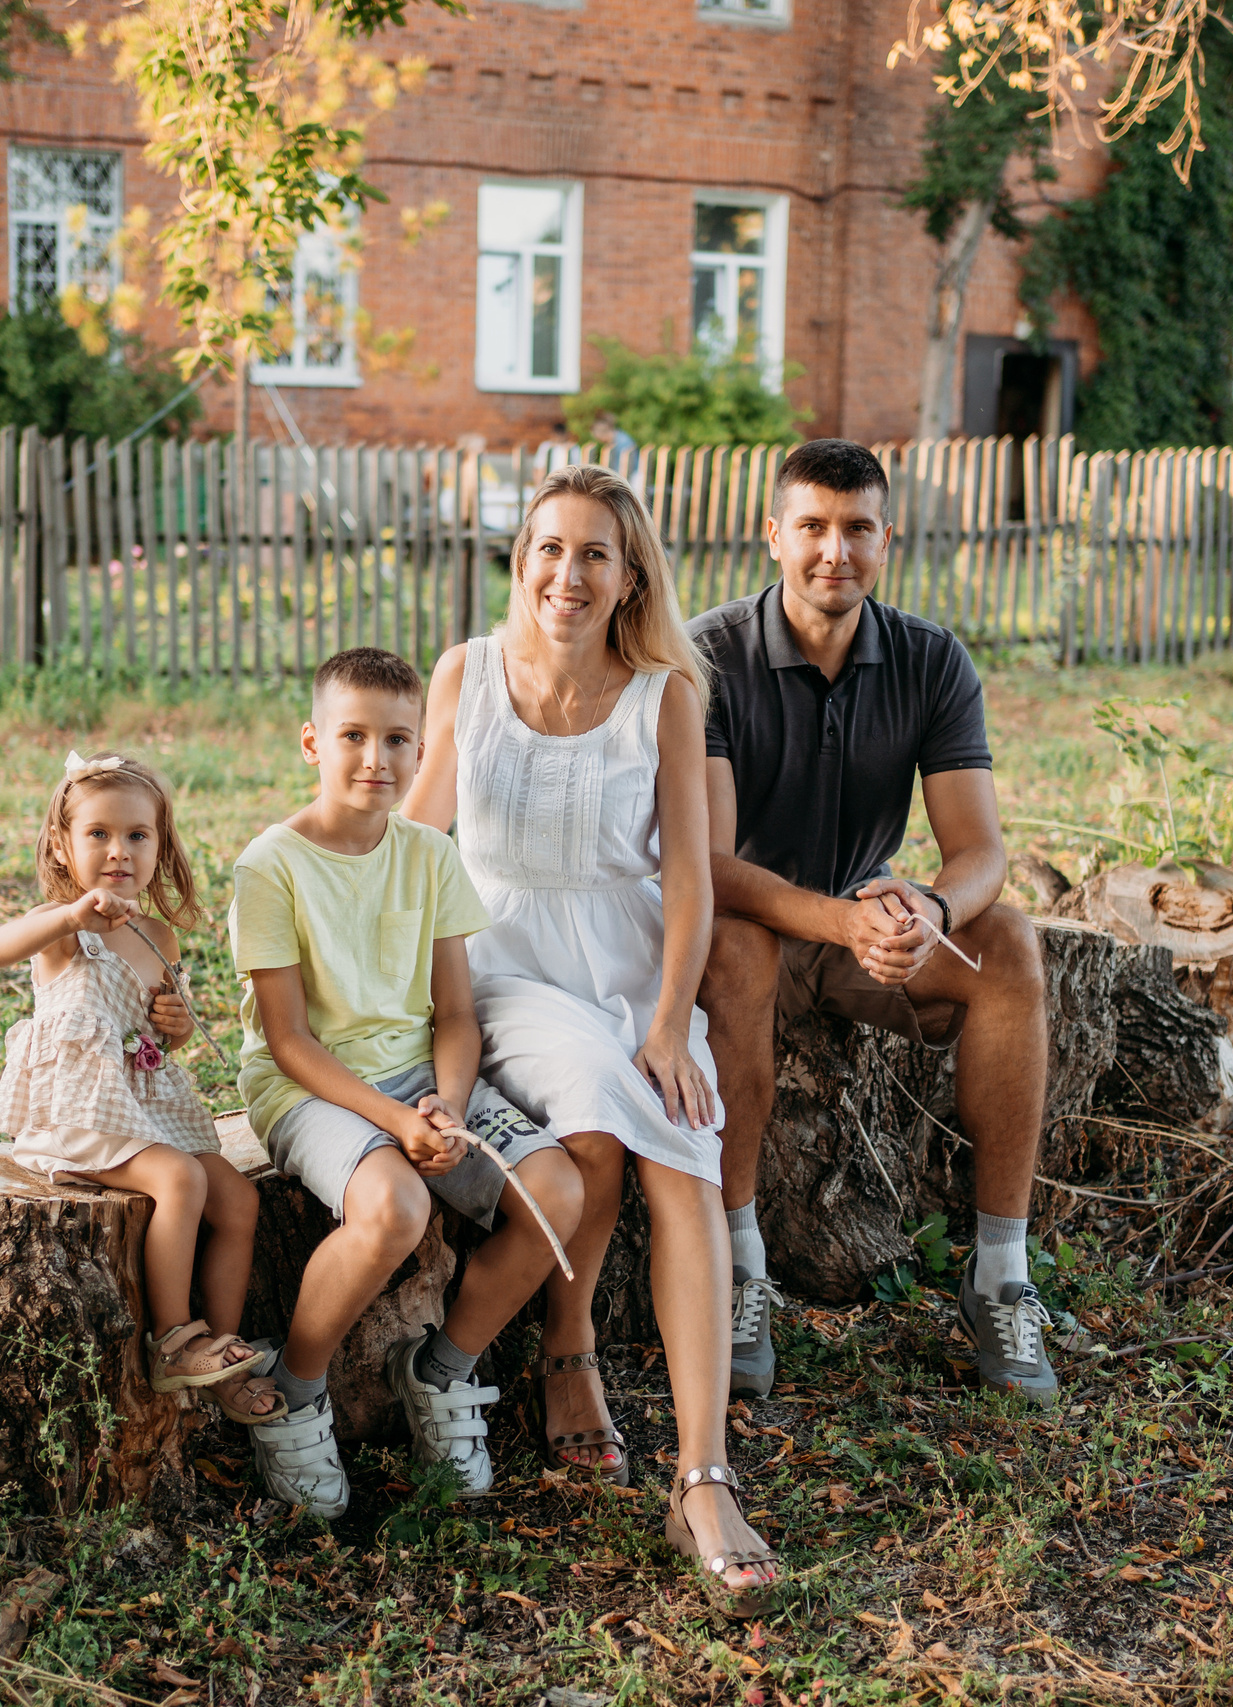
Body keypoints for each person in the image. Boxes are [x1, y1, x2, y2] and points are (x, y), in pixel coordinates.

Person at [407, 464, 781, 1619]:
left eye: (595, 556)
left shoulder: (663, 694)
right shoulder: (464, 674)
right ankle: (568, 1357)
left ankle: (702, 1474)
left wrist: (671, 1022)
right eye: (549, 550)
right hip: (504, 972)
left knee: (681, 1140)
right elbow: (417, 839)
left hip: (628, 974)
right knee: (614, 1124)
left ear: (630, 580)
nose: (567, 575)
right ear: (521, 561)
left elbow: (685, 884)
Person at [688, 438, 1058, 1407]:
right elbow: (709, 865)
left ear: (886, 538)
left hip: (865, 924)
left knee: (1009, 942)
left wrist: (928, 907)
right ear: (771, 534)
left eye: (857, 529)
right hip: (745, 927)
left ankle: (998, 1273)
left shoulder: (930, 660)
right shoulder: (708, 656)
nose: (833, 551)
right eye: (810, 526)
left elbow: (980, 850)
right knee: (733, 942)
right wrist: (839, 920)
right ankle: (738, 1262)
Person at [230, 647, 585, 1518]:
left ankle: (441, 1367)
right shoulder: (270, 866)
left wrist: (448, 1104)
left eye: (397, 739)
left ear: (423, 751)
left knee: (556, 1192)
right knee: (396, 1209)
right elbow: (288, 1038)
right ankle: (298, 1386)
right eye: (352, 736)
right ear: (313, 742)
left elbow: (455, 1015)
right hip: (310, 1085)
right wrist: (392, 1118)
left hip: (421, 1076)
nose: (375, 760)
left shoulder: (429, 855)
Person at [0, 750, 281, 1426]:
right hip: (81, 1112)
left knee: (235, 1199)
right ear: (64, 846)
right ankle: (174, 1339)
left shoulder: (158, 934)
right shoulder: (62, 930)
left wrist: (173, 1025)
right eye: (98, 834)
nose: (118, 850)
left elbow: (162, 1036)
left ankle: (218, 1351)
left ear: (159, 844)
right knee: (181, 1180)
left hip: (142, 1105)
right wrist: (68, 917)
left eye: (137, 835)